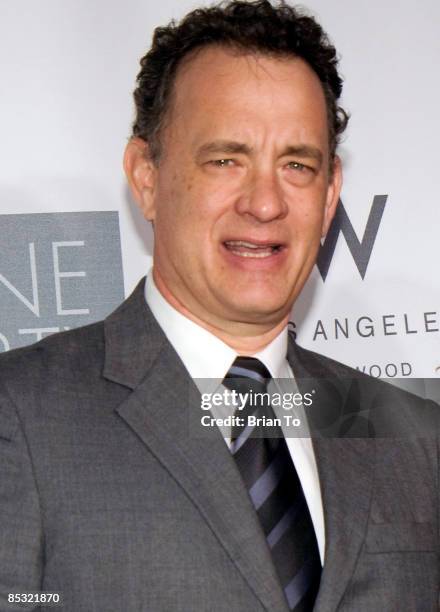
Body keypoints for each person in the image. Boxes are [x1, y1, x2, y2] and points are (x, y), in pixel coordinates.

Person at [0, 1, 438, 611]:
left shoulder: (415, 438)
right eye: (225, 159)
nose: (264, 203)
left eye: (296, 164)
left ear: (331, 192)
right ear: (146, 177)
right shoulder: (19, 417)